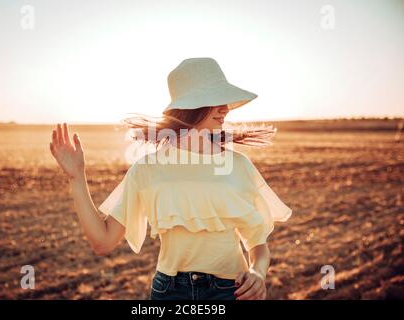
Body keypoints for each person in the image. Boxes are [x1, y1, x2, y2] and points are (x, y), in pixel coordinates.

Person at [49, 57, 292, 300]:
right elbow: (102, 242)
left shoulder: (238, 165)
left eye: (224, 100)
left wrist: (257, 273)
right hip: (170, 293)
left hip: (233, 291)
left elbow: (258, 244)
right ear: (190, 107)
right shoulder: (147, 169)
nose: (225, 108)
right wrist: (76, 178)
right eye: (215, 100)